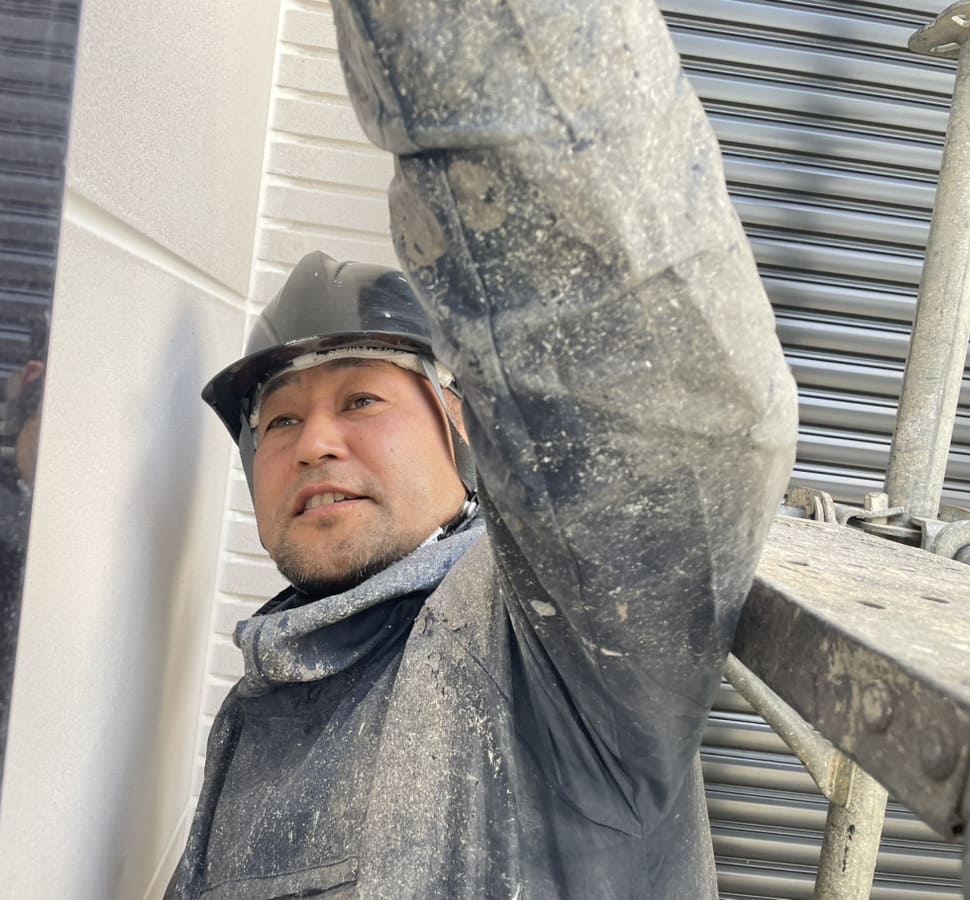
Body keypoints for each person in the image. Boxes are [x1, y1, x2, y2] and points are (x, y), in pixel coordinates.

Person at [166, 1, 798, 897]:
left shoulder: (552, 646)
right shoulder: (267, 690)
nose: (315, 444)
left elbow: (663, 415)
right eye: (280, 422)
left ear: (460, 428)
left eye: (361, 400)